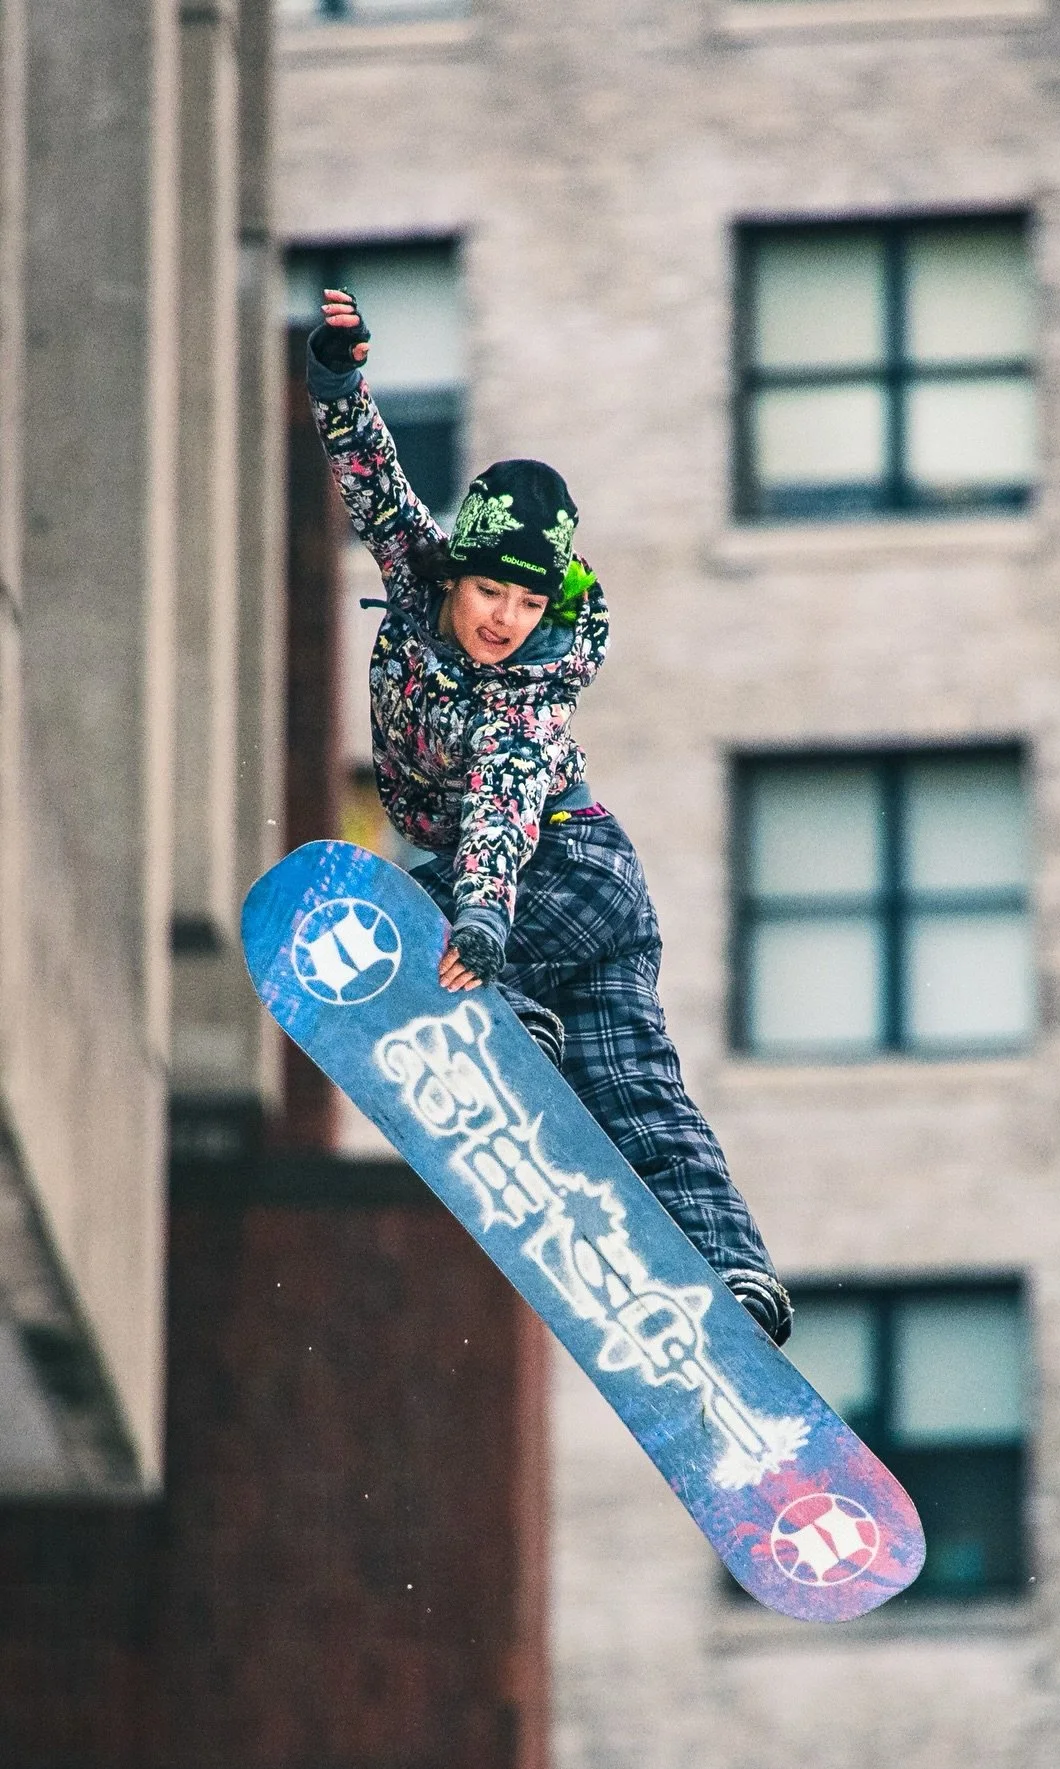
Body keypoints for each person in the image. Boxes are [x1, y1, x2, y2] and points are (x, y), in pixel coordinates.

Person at [306, 289, 793, 1345]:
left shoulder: (532, 696)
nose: (503, 622)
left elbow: (499, 811)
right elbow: (374, 487)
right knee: (636, 1095)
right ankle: (730, 1268)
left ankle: (510, 1026)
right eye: (490, 593)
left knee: (417, 912)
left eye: (528, 607)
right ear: (457, 571)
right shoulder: (411, 573)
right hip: (602, 902)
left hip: (555, 869)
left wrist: (482, 927)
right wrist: (341, 383)